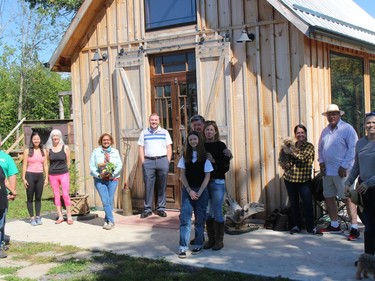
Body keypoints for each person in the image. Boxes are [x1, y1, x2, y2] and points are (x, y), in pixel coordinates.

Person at [318, 104, 359, 240]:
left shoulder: (347, 129)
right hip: (328, 171)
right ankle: (335, 224)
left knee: (347, 198)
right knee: (328, 196)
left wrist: (345, 165)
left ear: (339, 115)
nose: (331, 116)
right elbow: (320, 148)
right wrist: (321, 162)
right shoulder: (325, 131)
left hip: (342, 171)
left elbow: (353, 148)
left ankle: (354, 228)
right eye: (329, 114)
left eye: (334, 114)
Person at [177, 131, 213, 258]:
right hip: (188, 191)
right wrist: (190, 190)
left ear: (199, 140)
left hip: (201, 192)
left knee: (199, 220)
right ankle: (182, 247)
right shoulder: (185, 156)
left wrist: (199, 192)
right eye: (190, 139)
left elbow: (207, 176)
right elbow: (182, 175)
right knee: (185, 220)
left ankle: (198, 243)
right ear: (188, 141)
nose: (193, 141)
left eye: (195, 139)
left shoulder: (205, 157)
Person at [281, 125, 323, 236]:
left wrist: (291, 151)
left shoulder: (309, 146)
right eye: (298, 133)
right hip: (290, 179)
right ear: (295, 135)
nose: (300, 135)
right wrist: (284, 161)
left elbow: (303, 158)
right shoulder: (291, 146)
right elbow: (284, 160)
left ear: (305, 134)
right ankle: (296, 226)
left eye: (302, 132)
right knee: (294, 203)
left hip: (304, 180)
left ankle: (311, 227)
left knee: (308, 204)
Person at [345, 112, 375, 254]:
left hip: (370, 186)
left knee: (371, 226)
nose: (371, 125)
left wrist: (369, 182)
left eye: (374, 123)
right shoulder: (360, 143)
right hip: (364, 192)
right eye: (368, 123)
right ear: (364, 126)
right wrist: (348, 182)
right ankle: (368, 258)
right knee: (368, 226)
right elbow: (356, 165)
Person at [138, 113, 172, 218]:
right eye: (152, 120)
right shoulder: (144, 133)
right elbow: (141, 148)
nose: (154, 122)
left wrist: (167, 161)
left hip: (162, 160)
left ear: (159, 121)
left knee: (162, 185)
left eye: (156, 120)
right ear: (149, 121)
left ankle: (161, 208)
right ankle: (147, 208)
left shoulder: (165, 132)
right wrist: (143, 162)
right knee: (148, 185)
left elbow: (169, 147)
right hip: (149, 161)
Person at [203, 120, 231, 250]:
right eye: (207, 130)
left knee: (217, 210)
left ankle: (219, 241)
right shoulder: (200, 145)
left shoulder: (221, 145)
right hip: (204, 183)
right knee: (208, 212)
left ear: (215, 132)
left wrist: (213, 161)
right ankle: (211, 239)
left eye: (211, 130)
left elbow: (225, 166)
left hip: (217, 181)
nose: (209, 132)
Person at [89, 133, 123, 230]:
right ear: (101, 141)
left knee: (109, 201)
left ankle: (107, 220)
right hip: (100, 180)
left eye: (108, 140)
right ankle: (111, 221)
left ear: (111, 141)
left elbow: (119, 165)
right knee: (105, 200)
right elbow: (91, 165)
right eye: (104, 140)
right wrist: (99, 175)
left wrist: (112, 174)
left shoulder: (115, 152)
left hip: (113, 180)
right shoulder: (96, 151)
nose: (106, 141)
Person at [45, 129, 73, 225]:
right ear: (51, 137)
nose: (55, 137)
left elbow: (68, 161)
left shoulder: (65, 147)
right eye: (54, 136)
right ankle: (60, 216)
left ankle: (69, 216)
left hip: (64, 173)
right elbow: (48, 162)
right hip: (53, 174)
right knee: (56, 195)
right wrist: (47, 176)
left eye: (57, 135)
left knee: (65, 194)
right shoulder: (49, 149)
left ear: (60, 137)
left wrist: (66, 170)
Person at [22, 132, 49, 226]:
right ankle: (32, 218)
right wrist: (23, 178)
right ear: (32, 140)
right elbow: (24, 165)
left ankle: (38, 216)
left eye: (37, 139)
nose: (36, 141)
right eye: (34, 139)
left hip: (40, 176)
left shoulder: (44, 151)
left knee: (38, 198)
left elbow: (45, 165)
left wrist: (46, 178)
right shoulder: (27, 151)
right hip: (30, 176)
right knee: (30, 198)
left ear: (40, 140)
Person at [0, 135, 18, 258]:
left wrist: (12, 191)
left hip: (2, 196)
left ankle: (1, 243)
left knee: (1, 222)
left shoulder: (6, 158)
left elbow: (9, 177)